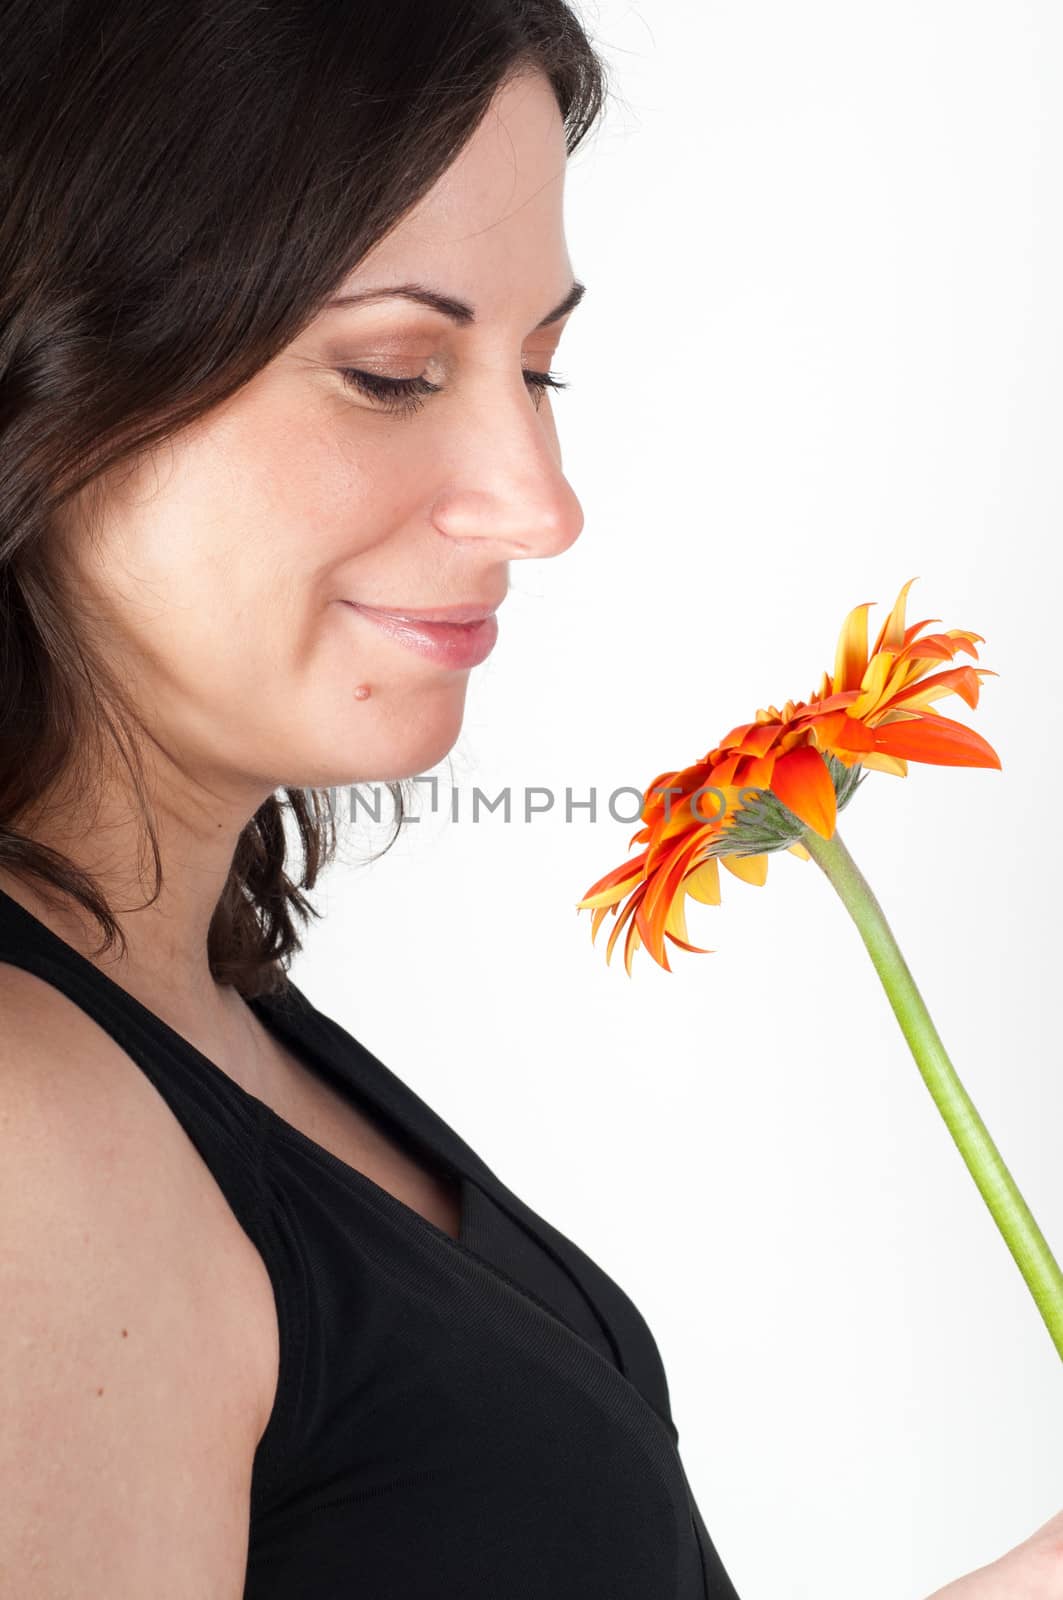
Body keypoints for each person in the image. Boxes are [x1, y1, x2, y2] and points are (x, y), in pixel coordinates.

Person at [0, 4, 1057, 1597]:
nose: (542, 506)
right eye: (393, 371)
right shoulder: (29, 1139)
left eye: (541, 365)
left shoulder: (192, 1007)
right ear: (45, 386)